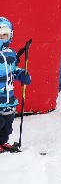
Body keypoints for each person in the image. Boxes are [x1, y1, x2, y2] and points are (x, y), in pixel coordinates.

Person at [0, 17, 30, 152]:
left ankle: (3, 142)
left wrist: (21, 74)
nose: (2, 38)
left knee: (7, 124)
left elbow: (14, 69)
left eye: (4, 35)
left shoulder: (11, 54)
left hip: (9, 99)